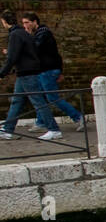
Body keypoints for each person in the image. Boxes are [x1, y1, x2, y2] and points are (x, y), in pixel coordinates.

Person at [0, 9, 59, 140]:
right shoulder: (23, 33)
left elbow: (12, 57)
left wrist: (2, 73)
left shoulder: (15, 35)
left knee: (38, 102)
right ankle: (8, 130)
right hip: (25, 73)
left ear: (4, 22)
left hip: (27, 73)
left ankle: (54, 129)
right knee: (17, 101)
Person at [22, 12, 85, 132]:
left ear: (35, 22)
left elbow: (34, 49)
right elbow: (55, 54)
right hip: (44, 70)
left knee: (52, 98)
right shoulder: (40, 33)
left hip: (48, 71)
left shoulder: (43, 33)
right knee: (41, 97)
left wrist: (28, 36)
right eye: (24, 23)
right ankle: (41, 122)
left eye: (27, 22)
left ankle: (78, 117)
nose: (25, 25)